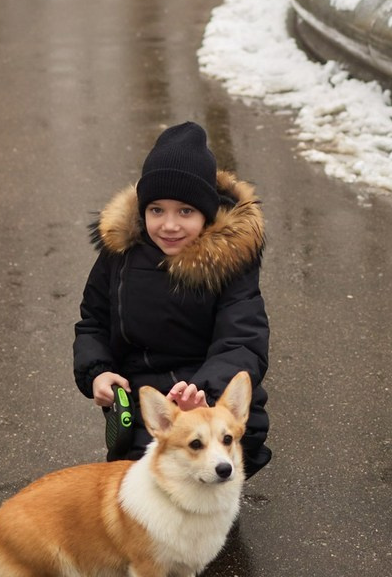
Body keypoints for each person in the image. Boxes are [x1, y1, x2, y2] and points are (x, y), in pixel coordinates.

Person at [73, 121, 271, 475]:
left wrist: (206, 391)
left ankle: (210, 505)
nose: (169, 225)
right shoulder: (121, 254)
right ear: (142, 211)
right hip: (144, 396)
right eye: (156, 210)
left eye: (185, 211)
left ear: (206, 214)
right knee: (143, 476)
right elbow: (93, 321)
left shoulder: (230, 261)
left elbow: (242, 341)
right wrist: (98, 372)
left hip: (204, 392)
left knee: (238, 437)